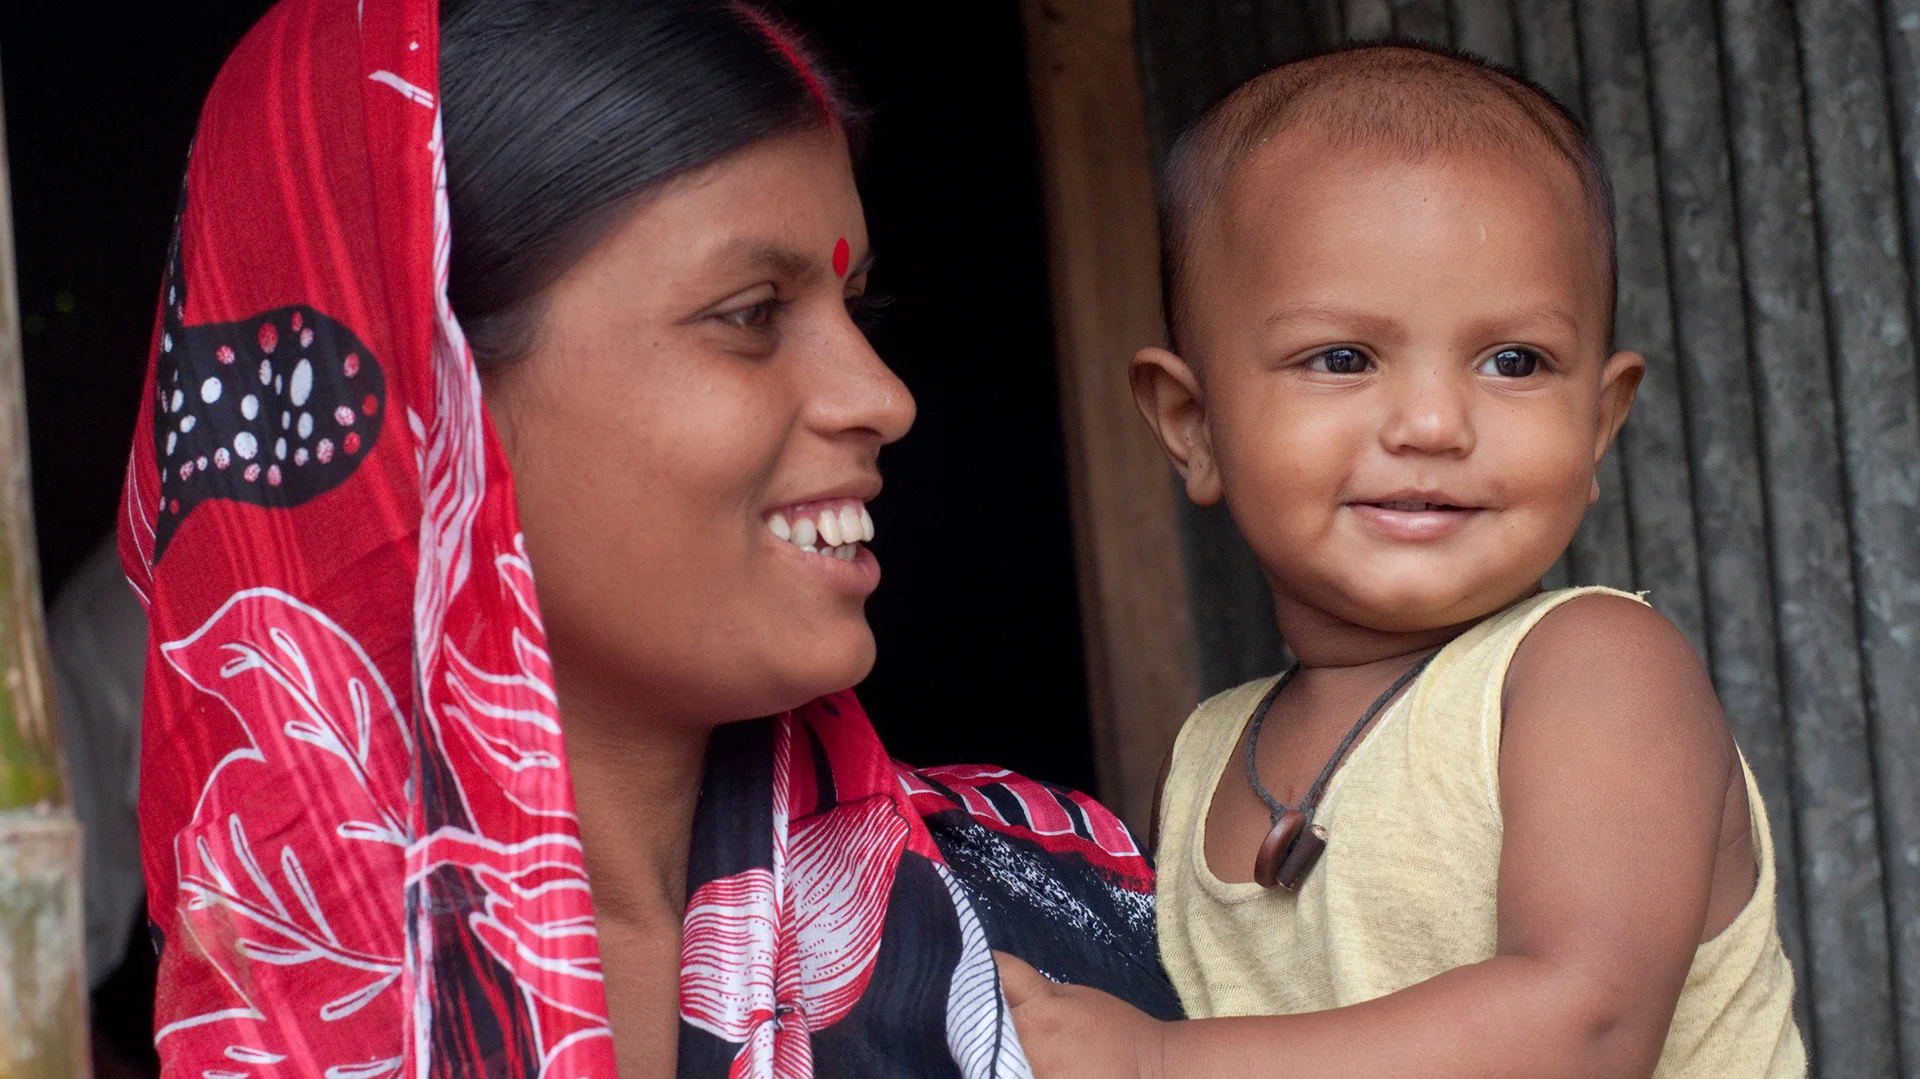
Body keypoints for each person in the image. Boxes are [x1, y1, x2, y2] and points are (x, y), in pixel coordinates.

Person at [119, 0, 1177, 1075]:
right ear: (427, 400)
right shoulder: (130, 1006)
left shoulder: (1073, 937)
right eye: (752, 312)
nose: (882, 394)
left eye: (860, 302)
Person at [992, 43, 1805, 1078]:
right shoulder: (1201, 765)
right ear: (1193, 425)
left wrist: (1157, 1060)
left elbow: (1582, 1026)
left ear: (1599, 425)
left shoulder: (1594, 669)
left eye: (1514, 361)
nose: (1432, 421)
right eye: (1343, 358)